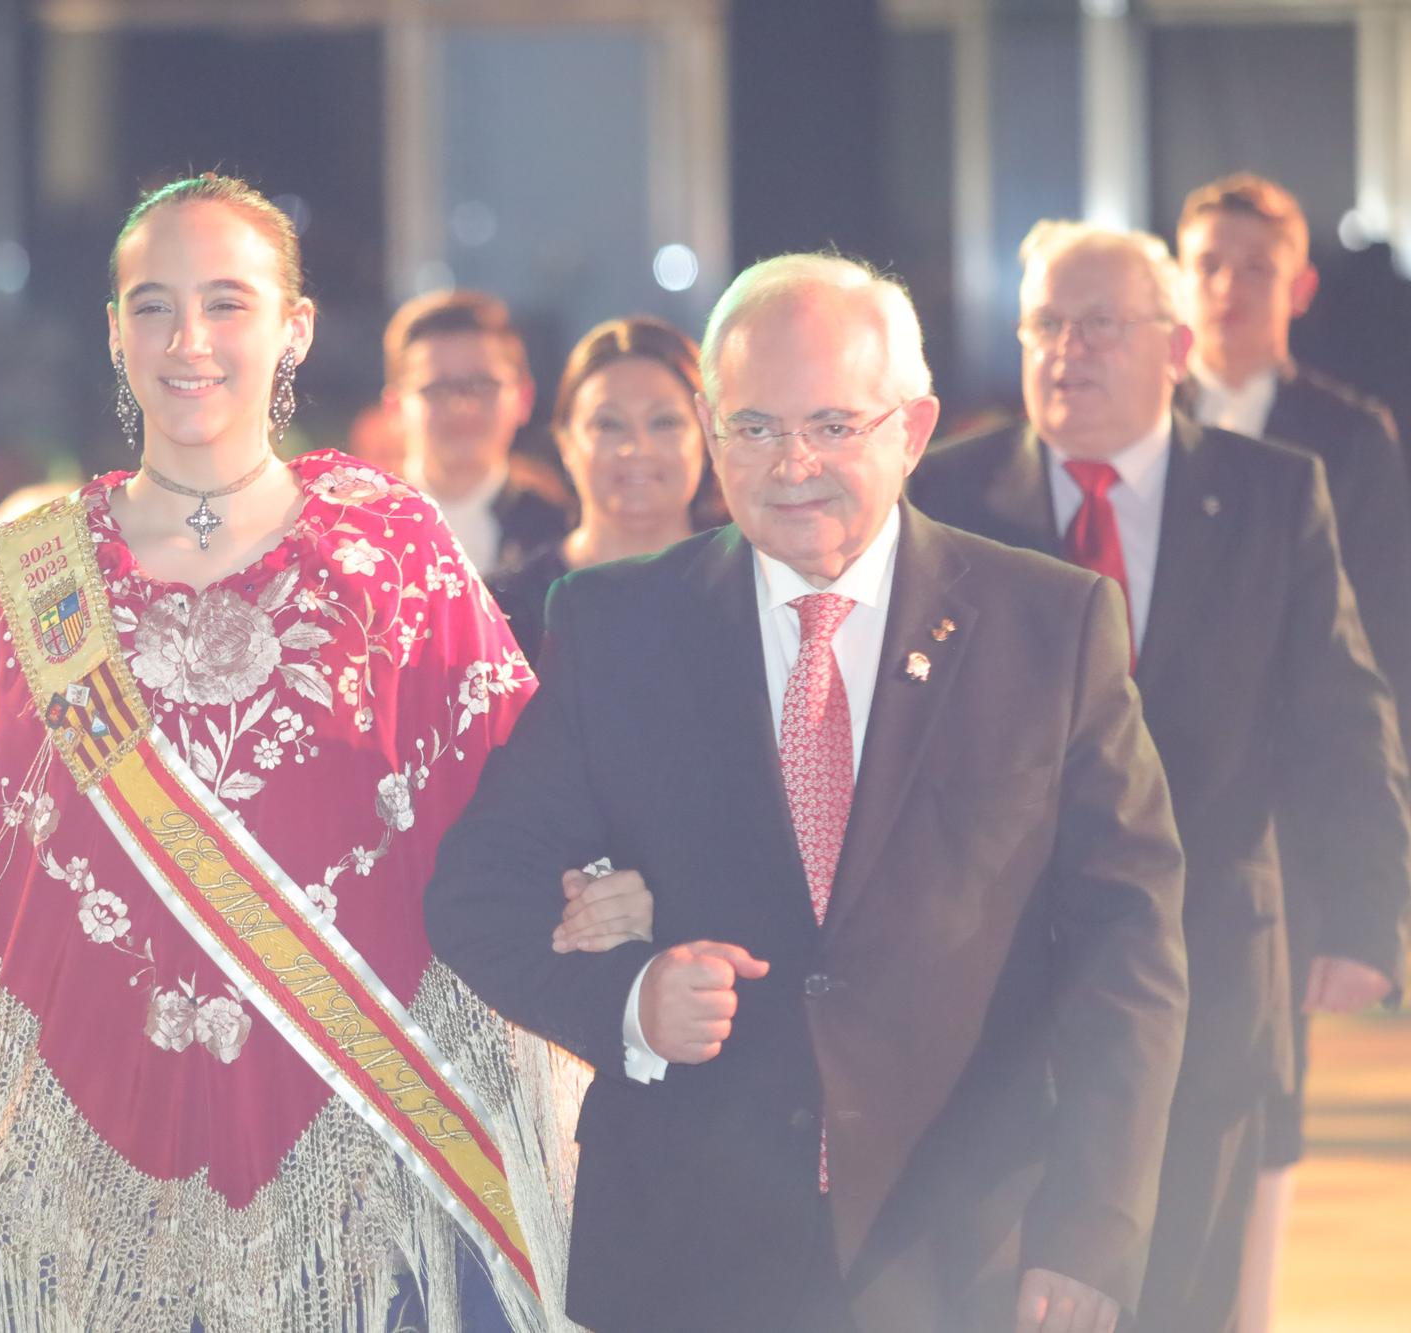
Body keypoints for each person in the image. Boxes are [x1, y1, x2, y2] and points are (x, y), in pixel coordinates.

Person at [0, 173, 628, 1333]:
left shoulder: (393, 550)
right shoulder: (28, 577)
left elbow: (519, 800)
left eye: (226, 302)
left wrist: (608, 889)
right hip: (74, 1173)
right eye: (151, 304)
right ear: (114, 329)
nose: (188, 341)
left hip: (366, 1149)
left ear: (294, 327)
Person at [427, 252, 1193, 1333]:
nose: (791, 464)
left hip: (966, 1256)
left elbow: (1131, 949)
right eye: (753, 426)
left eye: (833, 423)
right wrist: (628, 1004)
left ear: (911, 428)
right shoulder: (613, 628)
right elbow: (475, 892)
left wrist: (1090, 1233)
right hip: (686, 1258)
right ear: (709, 426)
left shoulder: (1050, 627)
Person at [911, 221, 1411, 1333]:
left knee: (1183, 1281)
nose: (1064, 350)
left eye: (1098, 324)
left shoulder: (1272, 493)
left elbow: (1339, 708)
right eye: (1043, 322)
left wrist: (1366, 915)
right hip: (993, 983)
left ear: (1173, 346)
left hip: (1211, 966)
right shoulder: (942, 500)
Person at [1172, 172, 1411, 1333]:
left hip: (1280, 823)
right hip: (1141, 804)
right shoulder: (1133, 413)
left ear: (1298, 286)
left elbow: (1375, 653)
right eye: (1206, 263)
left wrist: (1366, 886)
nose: (1225, 289)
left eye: (1252, 266)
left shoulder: (1346, 438)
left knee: (1264, 1093)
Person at [492, 317, 708, 660]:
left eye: (664, 422)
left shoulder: (750, 592)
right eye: (608, 424)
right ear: (565, 443)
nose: (637, 447)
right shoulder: (504, 613)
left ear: (707, 434)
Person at [382, 290, 570, 578]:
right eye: (438, 388)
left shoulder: (558, 536)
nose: (462, 406)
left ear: (524, 398)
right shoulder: (360, 528)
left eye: (483, 385)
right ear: (395, 408)